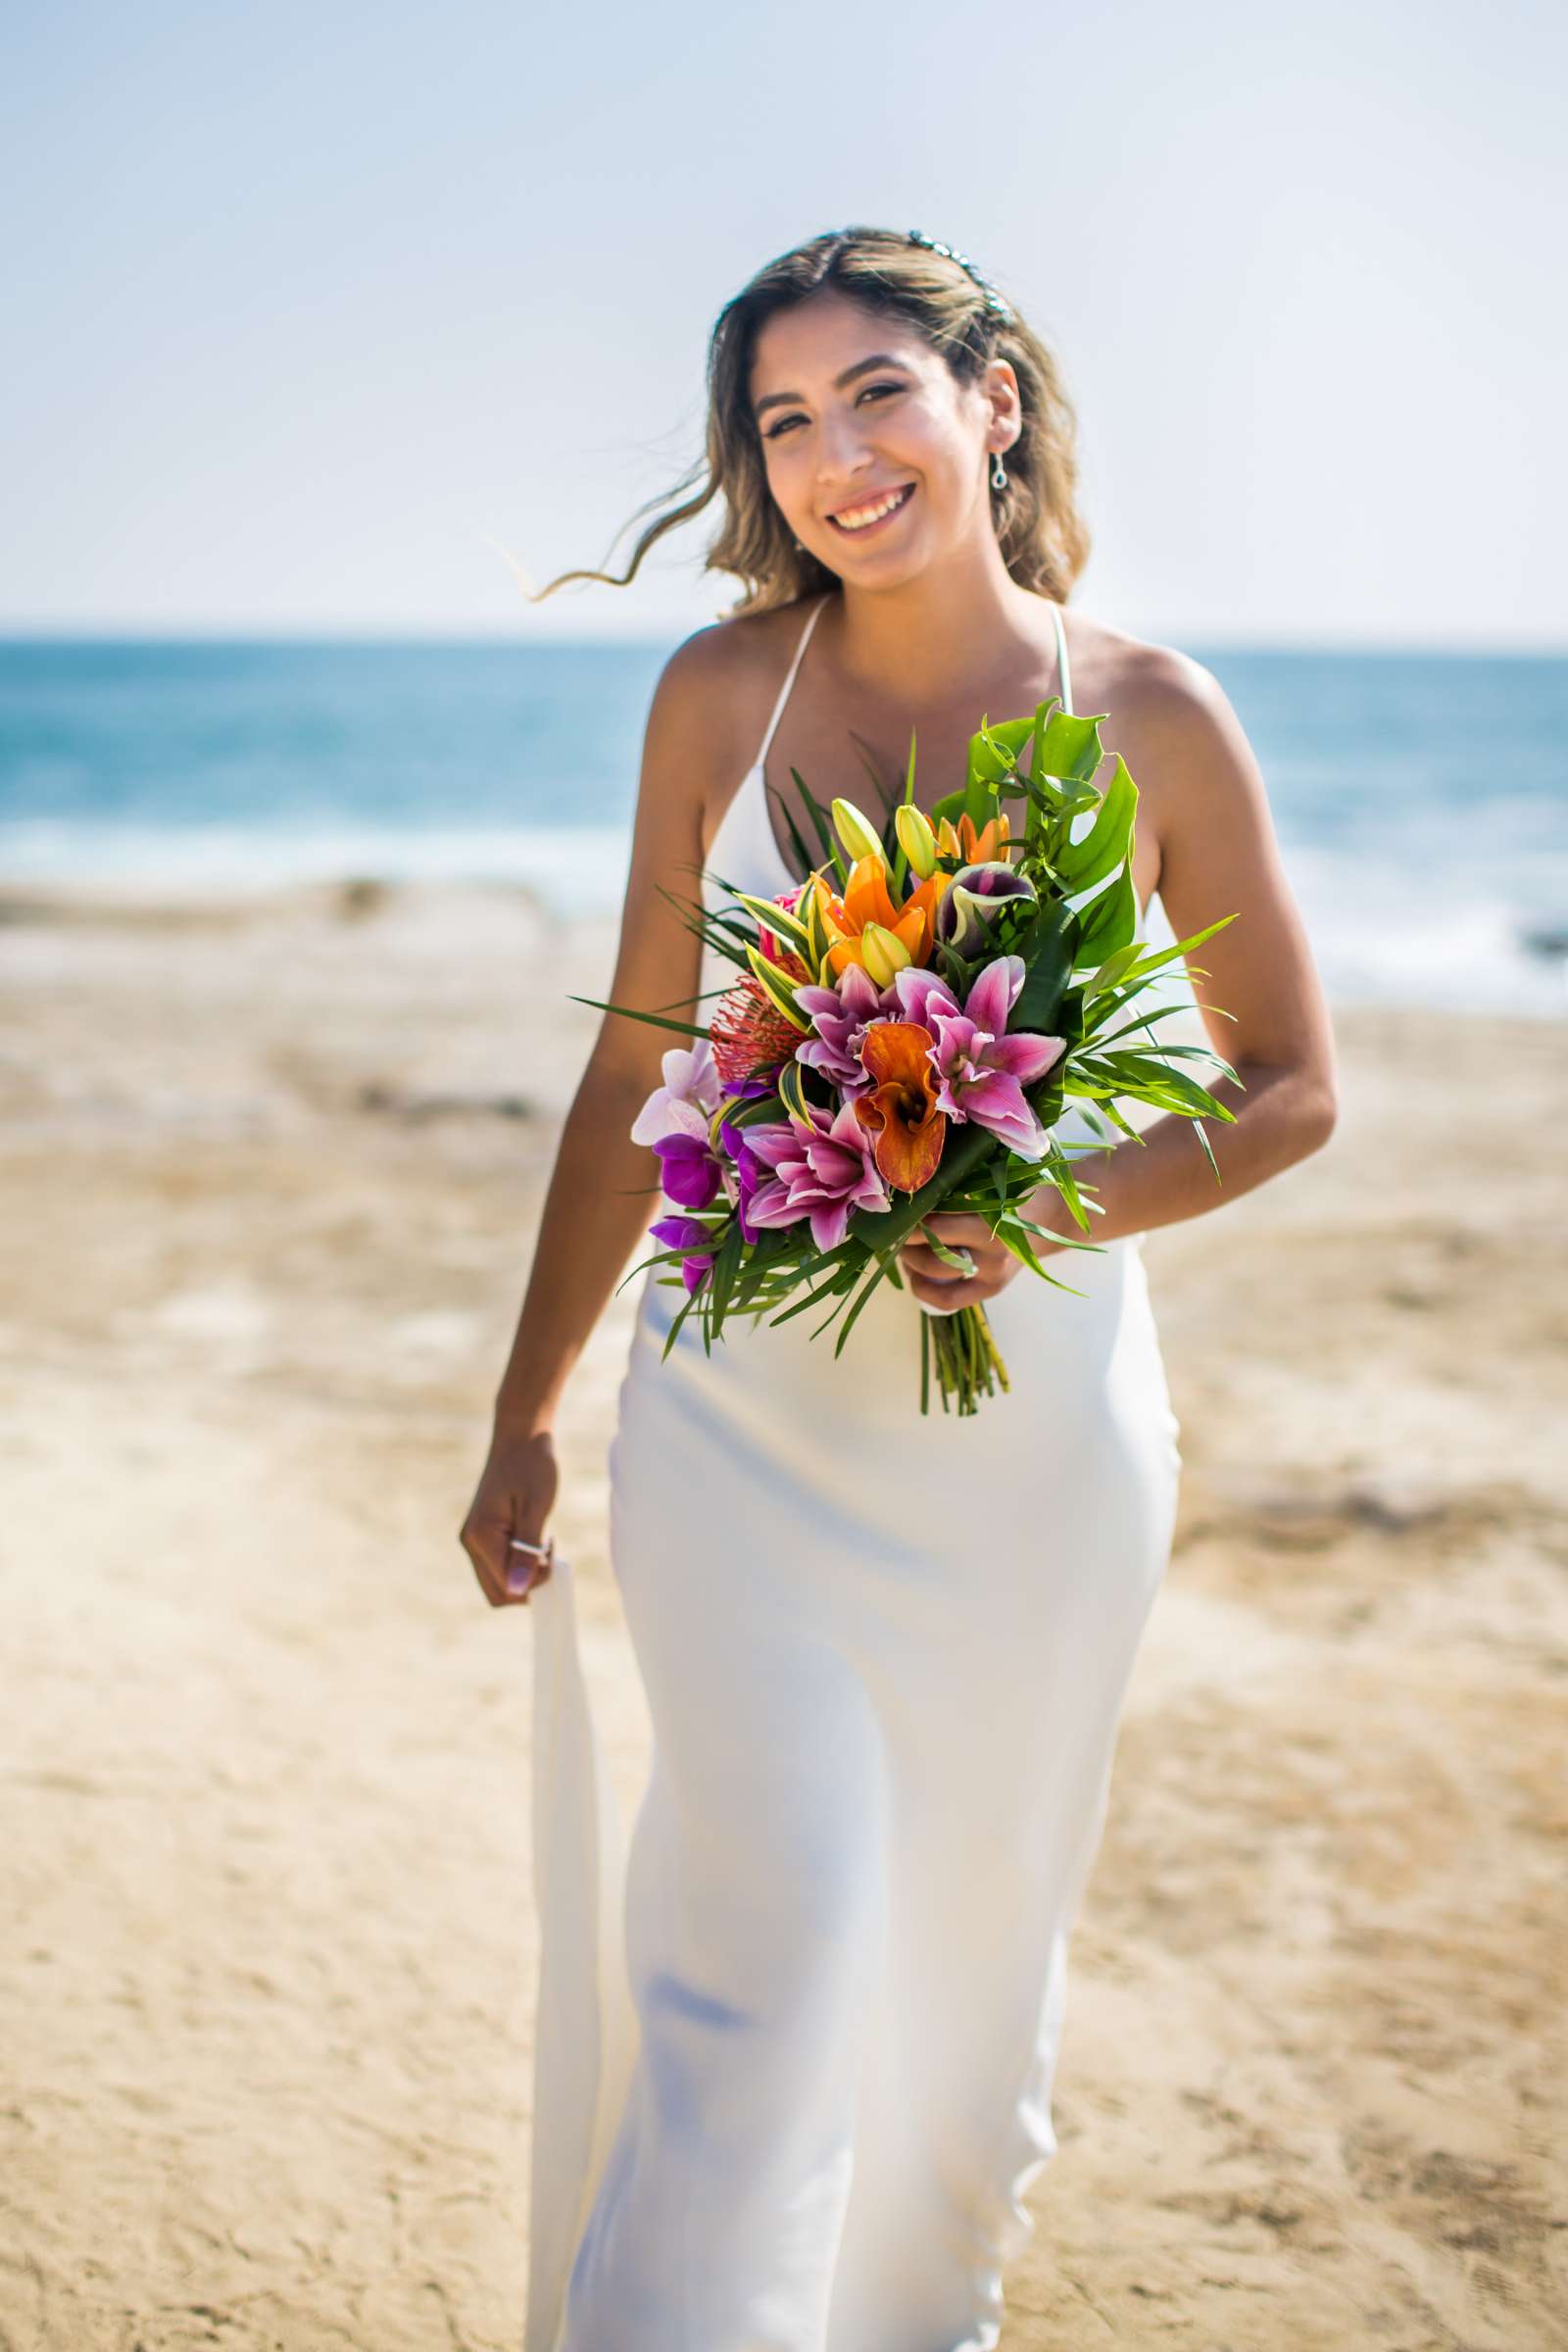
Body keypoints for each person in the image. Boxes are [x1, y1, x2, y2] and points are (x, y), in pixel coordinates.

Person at [459, 224, 1339, 2352]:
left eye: (877, 394)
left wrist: (1040, 1207)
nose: (837, 457)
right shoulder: (715, 693)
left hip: (1031, 1463)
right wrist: (521, 1408)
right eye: (783, 423)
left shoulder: (1143, 712)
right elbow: (630, 1068)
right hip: (733, 1423)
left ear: (988, 404)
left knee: (960, 2020)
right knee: (755, 1961)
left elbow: (1289, 1088)